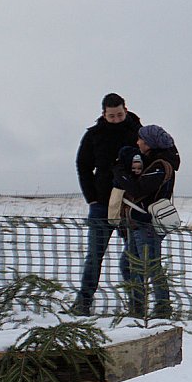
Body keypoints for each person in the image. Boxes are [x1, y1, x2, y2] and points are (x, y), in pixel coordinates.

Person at [72, 93, 142, 315]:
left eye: (119, 115)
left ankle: (137, 304)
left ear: (126, 110)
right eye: (111, 116)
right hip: (101, 203)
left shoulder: (138, 133)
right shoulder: (94, 135)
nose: (116, 119)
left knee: (133, 258)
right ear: (103, 113)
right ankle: (83, 302)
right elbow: (82, 166)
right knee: (94, 255)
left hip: (130, 204)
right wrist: (91, 197)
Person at [113, 125, 180, 318]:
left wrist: (120, 174)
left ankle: (162, 308)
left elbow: (138, 189)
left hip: (147, 224)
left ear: (150, 143)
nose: (138, 142)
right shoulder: (152, 162)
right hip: (138, 223)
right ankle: (138, 307)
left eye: (141, 139)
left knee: (151, 266)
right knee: (130, 265)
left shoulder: (160, 165)